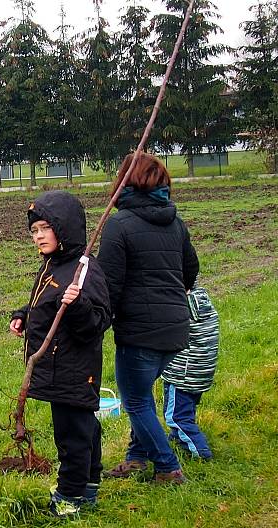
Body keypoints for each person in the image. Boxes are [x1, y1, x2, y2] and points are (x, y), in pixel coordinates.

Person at [98, 152, 199, 484]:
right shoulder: (175, 222)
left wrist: (97, 320)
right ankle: (137, 457)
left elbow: (109, 285)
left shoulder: (119, 224)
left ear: (127, 182)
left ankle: (168, 466)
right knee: (143, 393)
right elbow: (191, 271)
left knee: (136, 401)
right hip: (175, 330)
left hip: (140, 334)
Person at [9, 191, 111, 517]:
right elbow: (47, 303)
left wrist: (78, 304)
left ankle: (69, 497)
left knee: (73, 435)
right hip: (56, 367)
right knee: (83, 428)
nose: (38, 236)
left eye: (44, 228)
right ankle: (89, 487)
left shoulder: (84, 270)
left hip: (73, 369)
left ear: (63, 228)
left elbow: (97, 322)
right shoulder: (53, 266)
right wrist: (25, 314)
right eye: (33, 230)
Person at [161, 285, 219, 460]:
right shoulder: (201, 298)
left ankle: (200, 452)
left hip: (183, 374)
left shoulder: (182, 304)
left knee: (176, 416)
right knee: (186, 408)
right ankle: (178, 438)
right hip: (200, 371)